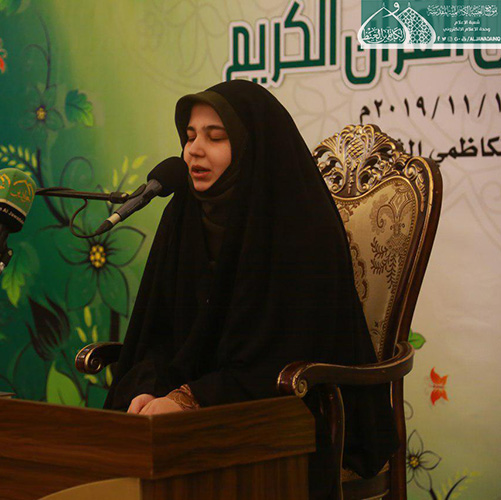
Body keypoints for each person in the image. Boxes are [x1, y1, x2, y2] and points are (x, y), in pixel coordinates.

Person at [103, 80, 398, 498]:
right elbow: (161, 332)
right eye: (189, 136)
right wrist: (149, 388)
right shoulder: (182, 216)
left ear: (251, 145)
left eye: (215, 137)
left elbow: (288, 353)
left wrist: (191, 400)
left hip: (289, 409)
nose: (193, 151)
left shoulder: (298, 225)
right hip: (199, 408)